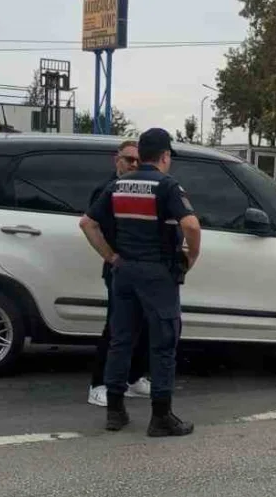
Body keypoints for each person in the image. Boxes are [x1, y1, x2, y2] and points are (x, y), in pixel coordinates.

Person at [80, 128, 202, 437]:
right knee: (163, 344)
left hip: (124, 273)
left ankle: (115, 412)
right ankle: (161, 417)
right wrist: (191, 257)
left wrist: (111, 257)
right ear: (165, 156)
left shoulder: (118, 185)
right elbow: (191, 225)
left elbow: (87, 223)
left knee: (121, 341)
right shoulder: (167, 186)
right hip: (157, 274)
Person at [85, 140, 152, 407]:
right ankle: (98, 384)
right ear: (117, 160)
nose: (133, 164)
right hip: (119, 270)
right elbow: (90, 225)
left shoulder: (140, 189)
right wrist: (111, 257)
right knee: (116, 327)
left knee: (143, 324)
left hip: (141, 269)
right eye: (128, 159)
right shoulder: (107, 189)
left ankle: (133, 379)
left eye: (138, 161)